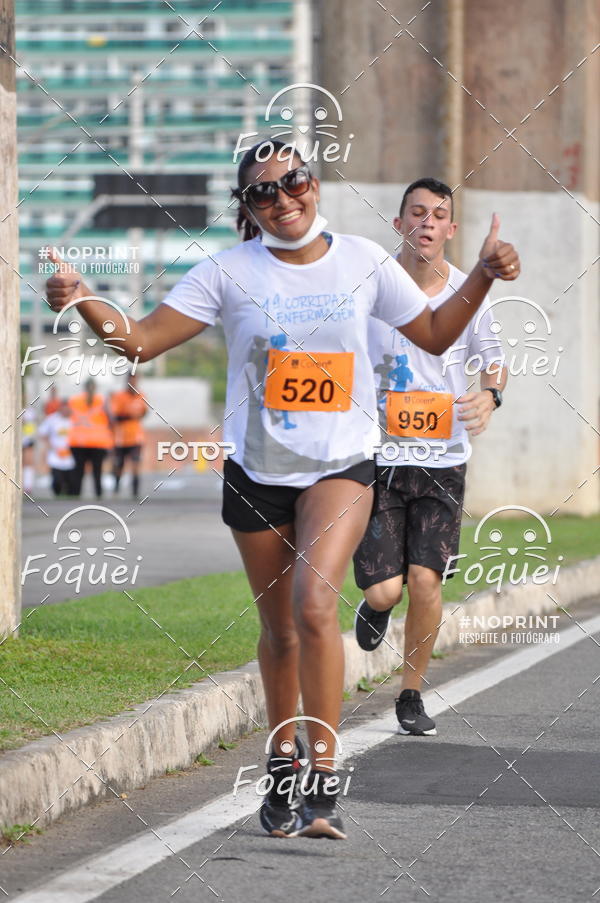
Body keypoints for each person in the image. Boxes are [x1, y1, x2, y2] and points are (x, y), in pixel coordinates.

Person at [45, 141, 519, 840]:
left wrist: (481, 273)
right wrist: (86, 299)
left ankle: (323, 778)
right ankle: (281, 760)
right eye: (263, 191)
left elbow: (437, 332)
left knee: (314, 605)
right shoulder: (227, 272)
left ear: (313, 184)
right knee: (280, 630)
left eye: (293, 180)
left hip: (341, 465)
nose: (283, 197)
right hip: (257, 472)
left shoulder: (363, 261)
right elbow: (140, 341)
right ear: (247, 207)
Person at [353, 178, 508, 736]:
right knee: (385, 589)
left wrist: (491, 396)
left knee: (425, 581)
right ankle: (375, 606)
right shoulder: (370, 289)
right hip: (377, 457)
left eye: (438, 215)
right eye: (416, 213)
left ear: (450, 229)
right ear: (399, 224)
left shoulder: (469, 292)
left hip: (443, 460)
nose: (426, 222)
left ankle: (411, 694)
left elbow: (495, 360)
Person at [68, 378, 114, 498]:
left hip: (79, 441)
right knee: (96, 471)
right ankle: (98, 495)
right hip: (96, 442)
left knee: (79, 471)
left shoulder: (75, 400)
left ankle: (76, 495)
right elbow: (111, 419)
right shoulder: (102, 400)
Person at [110, 372, 147, 499]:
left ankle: (135, 492)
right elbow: (116, 416)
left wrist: (137, 415)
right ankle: (116, 487)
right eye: (131, 380)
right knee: (119, 465)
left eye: (135, 380)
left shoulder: (141, 396)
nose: (133, 383)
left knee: (136, 464)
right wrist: (130, 415)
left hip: (136, 437)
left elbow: (143, 412)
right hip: (121, 438)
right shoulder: (119, 397)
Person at [37, 397, 76, 496]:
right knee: (57, 480)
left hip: (70, 454)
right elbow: (41, 432)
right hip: (56, 454)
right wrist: (50, 444)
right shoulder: (52, 419)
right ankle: (57, 493)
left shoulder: (74, 419)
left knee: (70, 481)